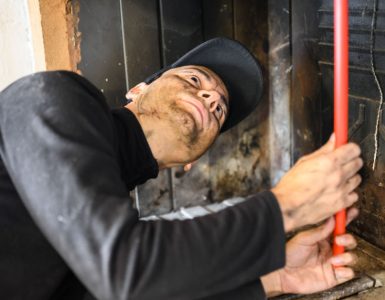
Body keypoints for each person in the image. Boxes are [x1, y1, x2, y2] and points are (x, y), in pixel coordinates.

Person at [0, 38, 362, 300]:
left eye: (219, 111)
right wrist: (285, 206)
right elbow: (126, 271)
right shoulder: (54, 98)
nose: (211, 98)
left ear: (193, 159)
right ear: (138, 89)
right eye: (194, 80)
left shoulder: (103, 212)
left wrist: (276, 278)